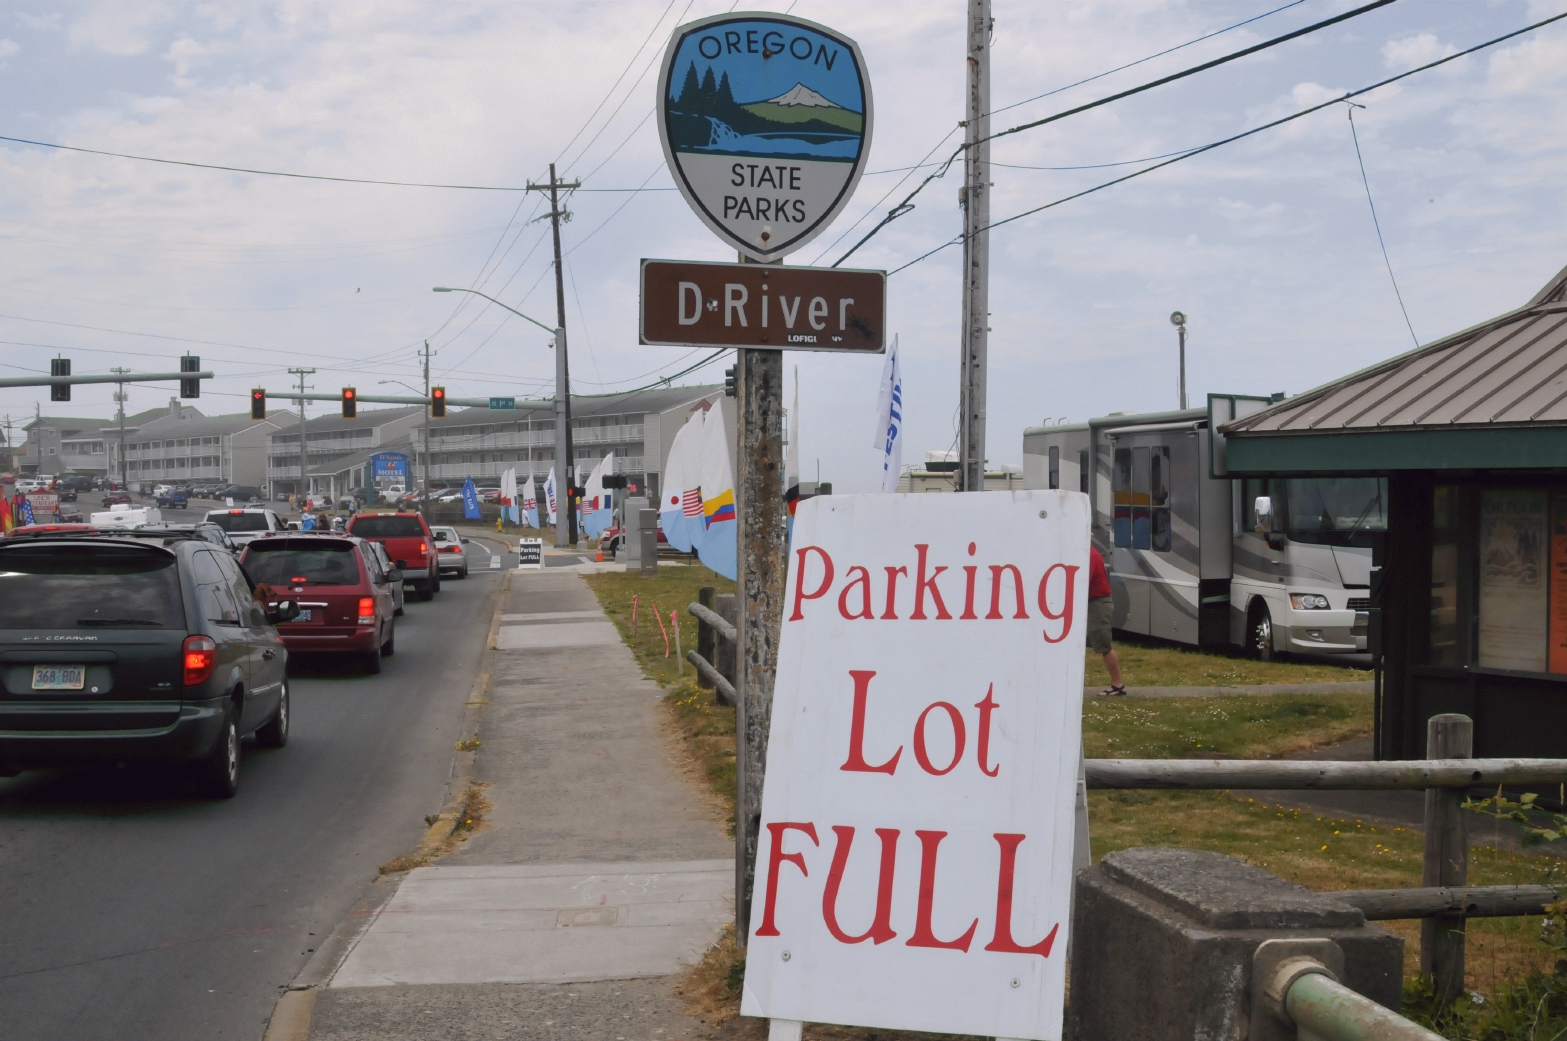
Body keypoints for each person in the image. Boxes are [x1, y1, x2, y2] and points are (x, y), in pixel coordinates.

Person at [1089, 545, 1126, 696]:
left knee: (1104, 645)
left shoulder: (1089, 555)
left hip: (1098, 604)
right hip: (1093, 602)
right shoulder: (1088, 552)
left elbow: (1083, 580)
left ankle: (1117, 685)